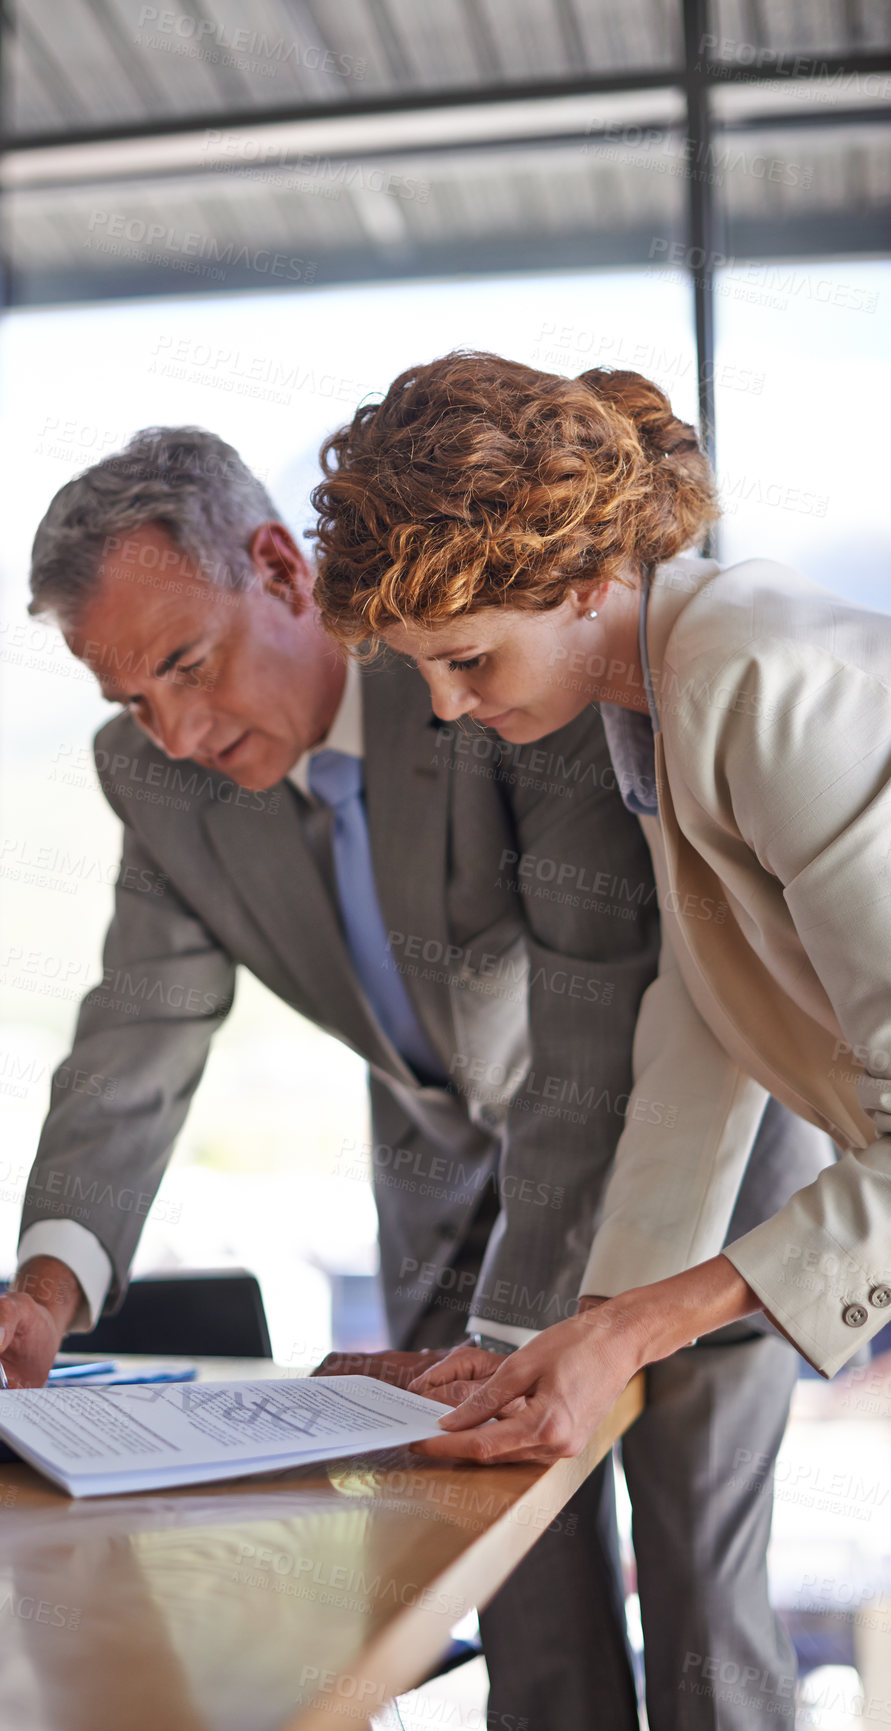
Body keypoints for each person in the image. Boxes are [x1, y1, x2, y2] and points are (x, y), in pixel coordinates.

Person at [0, 426, 826, 1730]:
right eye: (130, 698)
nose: (170, 728)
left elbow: (593, 1030)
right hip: (446, 1200)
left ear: (282, 570)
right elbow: (137, 1028)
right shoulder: (157, 779)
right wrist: (46, 1293)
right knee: (510, 1600)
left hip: (678, 1184)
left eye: (184, 663)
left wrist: (516, 1352)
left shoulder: (478, 669)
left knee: (694, 1595)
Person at [311, 350, 891, 1489]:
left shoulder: (757, 681)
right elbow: (702, 1037)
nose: (447, 708)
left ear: (583, 579)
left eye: (469, 658)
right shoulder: (661, 702)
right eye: (424, 670)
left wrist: (632, 1331)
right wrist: (549, 1343)